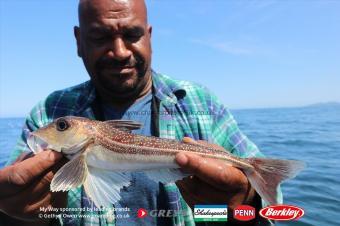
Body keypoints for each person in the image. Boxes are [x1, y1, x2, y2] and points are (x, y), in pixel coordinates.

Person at [0, 0, 278, 225]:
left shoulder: (200, 103)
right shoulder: (48, 110)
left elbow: (270, 203)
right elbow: (13, 202)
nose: (119, 52)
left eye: (132, 34)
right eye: (100, 36)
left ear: (149, 36)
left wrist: (246, 204)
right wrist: (17, 214)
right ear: (78, 40)